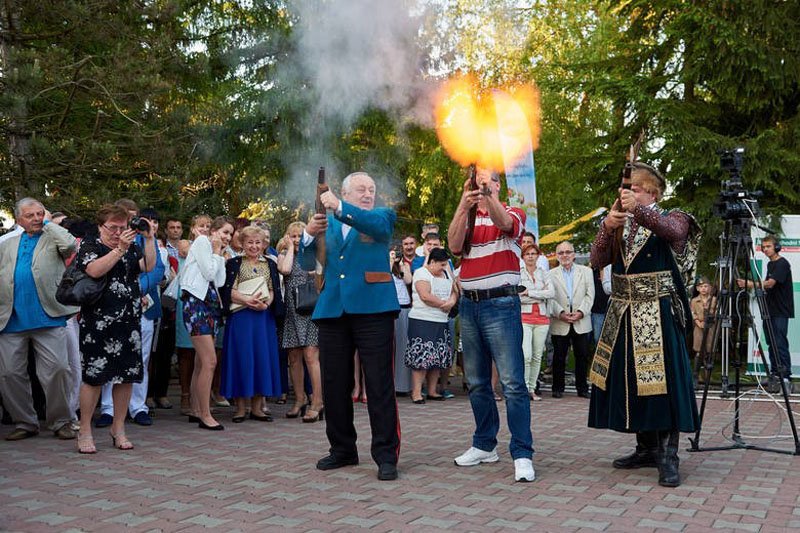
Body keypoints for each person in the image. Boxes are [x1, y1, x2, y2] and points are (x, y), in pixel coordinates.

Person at [588, 161, 701, 488]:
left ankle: (668, 456)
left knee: (662, 386)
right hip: (623, 311)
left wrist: (639, 211)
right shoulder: (620, 222)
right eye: (626, 190)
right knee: (631, 382)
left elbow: (675, 234)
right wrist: (608, 227)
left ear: (651, 191)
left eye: (634, 189)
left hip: (659, 312)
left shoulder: (675, 216)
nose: (626, 196)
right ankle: (646, 447)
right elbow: (597, 261)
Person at [300, 171, 401, 481]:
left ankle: (385, 455)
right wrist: (307, 235)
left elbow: (378, 227)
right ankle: (342, 449)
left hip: (374, 307)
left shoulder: (381, 216)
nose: (368, 193)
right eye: (361, 189)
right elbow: (307, 264)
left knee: (378, 383)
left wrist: (341, 207)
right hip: (333, 308)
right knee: (334, 383)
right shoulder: (325, 223)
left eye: (371, 188)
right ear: (345, 191)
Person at [447, 167, 535, 483]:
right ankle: (485, 445)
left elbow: (506, 224)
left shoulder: (514, 210)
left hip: (501, 304)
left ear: (498, 185)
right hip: (470, 305)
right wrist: (463, 204)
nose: (481, 184)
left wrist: (486, 196)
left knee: (512, 383)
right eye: (477, 180)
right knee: (477, 381)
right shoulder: (466, 218)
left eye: (488, 180)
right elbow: (454, 246)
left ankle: (522, 453)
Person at [75, 203, 157, 453]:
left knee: (127, 375)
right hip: (98, 322)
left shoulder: (132, 246)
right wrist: (119, 248)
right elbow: (94, 270)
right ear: (101, 226)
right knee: (94, 377)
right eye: (113, 227)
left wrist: (149, 238)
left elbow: (148, 266)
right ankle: (85, 430)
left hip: (128, 320)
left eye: (123, 227)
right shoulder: (90, 246)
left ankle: (118, 428)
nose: (119, 232)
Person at [0, 198, 79, 441]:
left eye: (39, 214)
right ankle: (25, 422)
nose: (35, 218)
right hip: (11, 318)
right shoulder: (7, 243)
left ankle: (61, 421)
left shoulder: (52, 237)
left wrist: (48, 223)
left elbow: (70, 245)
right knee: (10, 373)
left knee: (57, 369)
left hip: (47, 314)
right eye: (30, 215)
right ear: (19, 220)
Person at [95, 204, 165, 428]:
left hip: (142, 307)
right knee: (109, 358)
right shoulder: (107, 241)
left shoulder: (144, 240)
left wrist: (138, 291)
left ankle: (137, 406)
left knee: (139, 359)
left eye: (134, 220)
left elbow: (156, 270)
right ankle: (108, 408)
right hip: (111, 309)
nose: (132, 225)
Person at [218, 226, 283, 422]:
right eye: (250, 242)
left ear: (264, 244)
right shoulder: (234, 263)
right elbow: (228, 290)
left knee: (262, 358)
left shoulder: (270, 264)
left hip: (263, 319)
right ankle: (239, 408)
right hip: (241, 317)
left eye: (258, 242)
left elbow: (273, 289)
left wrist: (266, 304)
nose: (254, 246)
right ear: (242, 244)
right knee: (241, 358)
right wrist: (248, 301)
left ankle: (257, 408)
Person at [181, 216, 234, 431]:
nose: (227, 237)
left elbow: (219, 280)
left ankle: (196, 409)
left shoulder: (215, 250)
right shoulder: (203, 242)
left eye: (230, 234)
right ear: (213, 231)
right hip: (196, 304)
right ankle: (205, 414)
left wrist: (219, 253)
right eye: (224, 232)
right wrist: (216, 251)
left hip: (210, 305)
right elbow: (208, 273)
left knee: (201, 363)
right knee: (210, 361)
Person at [277, 221, 323, 423]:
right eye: (292, 236)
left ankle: (318, 402)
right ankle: (300, 399)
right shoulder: (284, 254)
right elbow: (285, 270)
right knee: (293, 357)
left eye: (299, 236)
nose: (296, 240)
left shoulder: (313, 254)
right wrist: (289, 249)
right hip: (292, 311)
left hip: (310, 310)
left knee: (311, 356)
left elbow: (321, 276)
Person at [737, 235, 794, 392]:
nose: (765, 249)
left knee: (779, 342)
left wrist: (748, 284)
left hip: (781, 310)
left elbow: (769, 284)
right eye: (764, 246)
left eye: (768, 246)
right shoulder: (771, 265)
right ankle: (775, 374)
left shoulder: (782, 264)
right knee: (771, 343)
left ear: (776, 247)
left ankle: (786, 377)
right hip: (770, 309)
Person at [405, 247, 458, 403]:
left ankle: (432, 390)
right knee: (421, 359)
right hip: (423, 320)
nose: (443, 268)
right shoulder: (421, 273)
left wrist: (452, 301)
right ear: (432, 261)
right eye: (441, 264)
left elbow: (455, 290)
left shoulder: (447, 273)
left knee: (438, 358)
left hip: (441, 320)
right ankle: (416, 393)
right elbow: (425, 296)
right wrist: (444, 304)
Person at [549, 241, 594, 399]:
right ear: (557, 255)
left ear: (574, 254)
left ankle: (582, 388)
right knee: (559, 356)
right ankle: (557, 388)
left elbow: (590, 295)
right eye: (561, 253)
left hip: (581, 321)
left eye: (568, 252)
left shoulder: (586, 271)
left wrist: (581, 312)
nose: (565, 255)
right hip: (560, 320)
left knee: (582, 356)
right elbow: (550, 298)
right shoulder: (550, 274)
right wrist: (560, 313)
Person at [519, 243, 554, 401]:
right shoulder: (518, 274)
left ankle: (532, 389)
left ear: (538, 256)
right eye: (527, 254)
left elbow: (551, 293)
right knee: (526, 355)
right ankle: (524, 388)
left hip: (542, 318)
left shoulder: (544, 273)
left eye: (533, 253)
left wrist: (530, 293)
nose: (531, 256)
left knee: (537, 356)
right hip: (524, 318)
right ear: (523, 256)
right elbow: (519, 296)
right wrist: (540, 294)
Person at [390, 246, 413, 395]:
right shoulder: (384, 264)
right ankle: (390, 383)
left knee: (403, 347)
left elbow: (408, 280)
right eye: (393, 252)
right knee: (390, 349)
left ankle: (402, 386)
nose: (396, 255)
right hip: (390, 308)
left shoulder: (404, 266)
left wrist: (401, 265)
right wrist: (390, 262)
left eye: (398, 252)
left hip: (404, 307)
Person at [690, 276, 717, 382]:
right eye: (701, 286)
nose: (703, 289)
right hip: (699, 328)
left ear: (710, 288)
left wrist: (708, 321)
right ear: (697, 288)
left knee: (709, 352)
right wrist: (698, 322)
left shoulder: (714, 300)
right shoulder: (694, 301)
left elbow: (716, 313)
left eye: (706, 286)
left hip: (710, 328)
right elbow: (693, 313)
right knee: (699, 352)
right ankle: (695, 375)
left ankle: (708, 376)